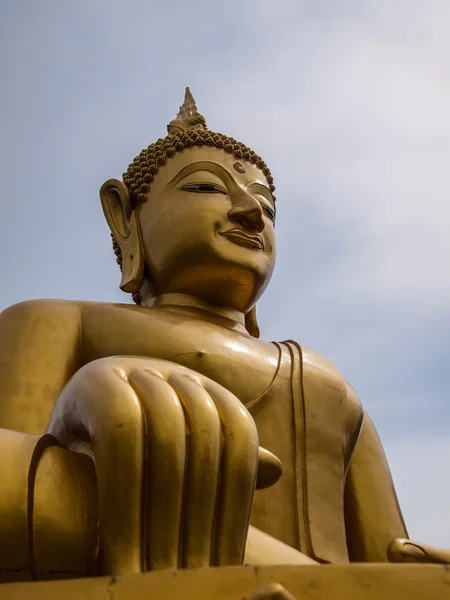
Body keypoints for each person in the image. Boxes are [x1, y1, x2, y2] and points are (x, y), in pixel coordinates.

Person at [0, 89, 446, 582]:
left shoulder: (326, 387)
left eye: (267, 208)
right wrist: (81, 411)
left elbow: (387, 561)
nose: (252, 214)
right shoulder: (56, 323)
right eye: (206, 188)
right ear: (125, 217)